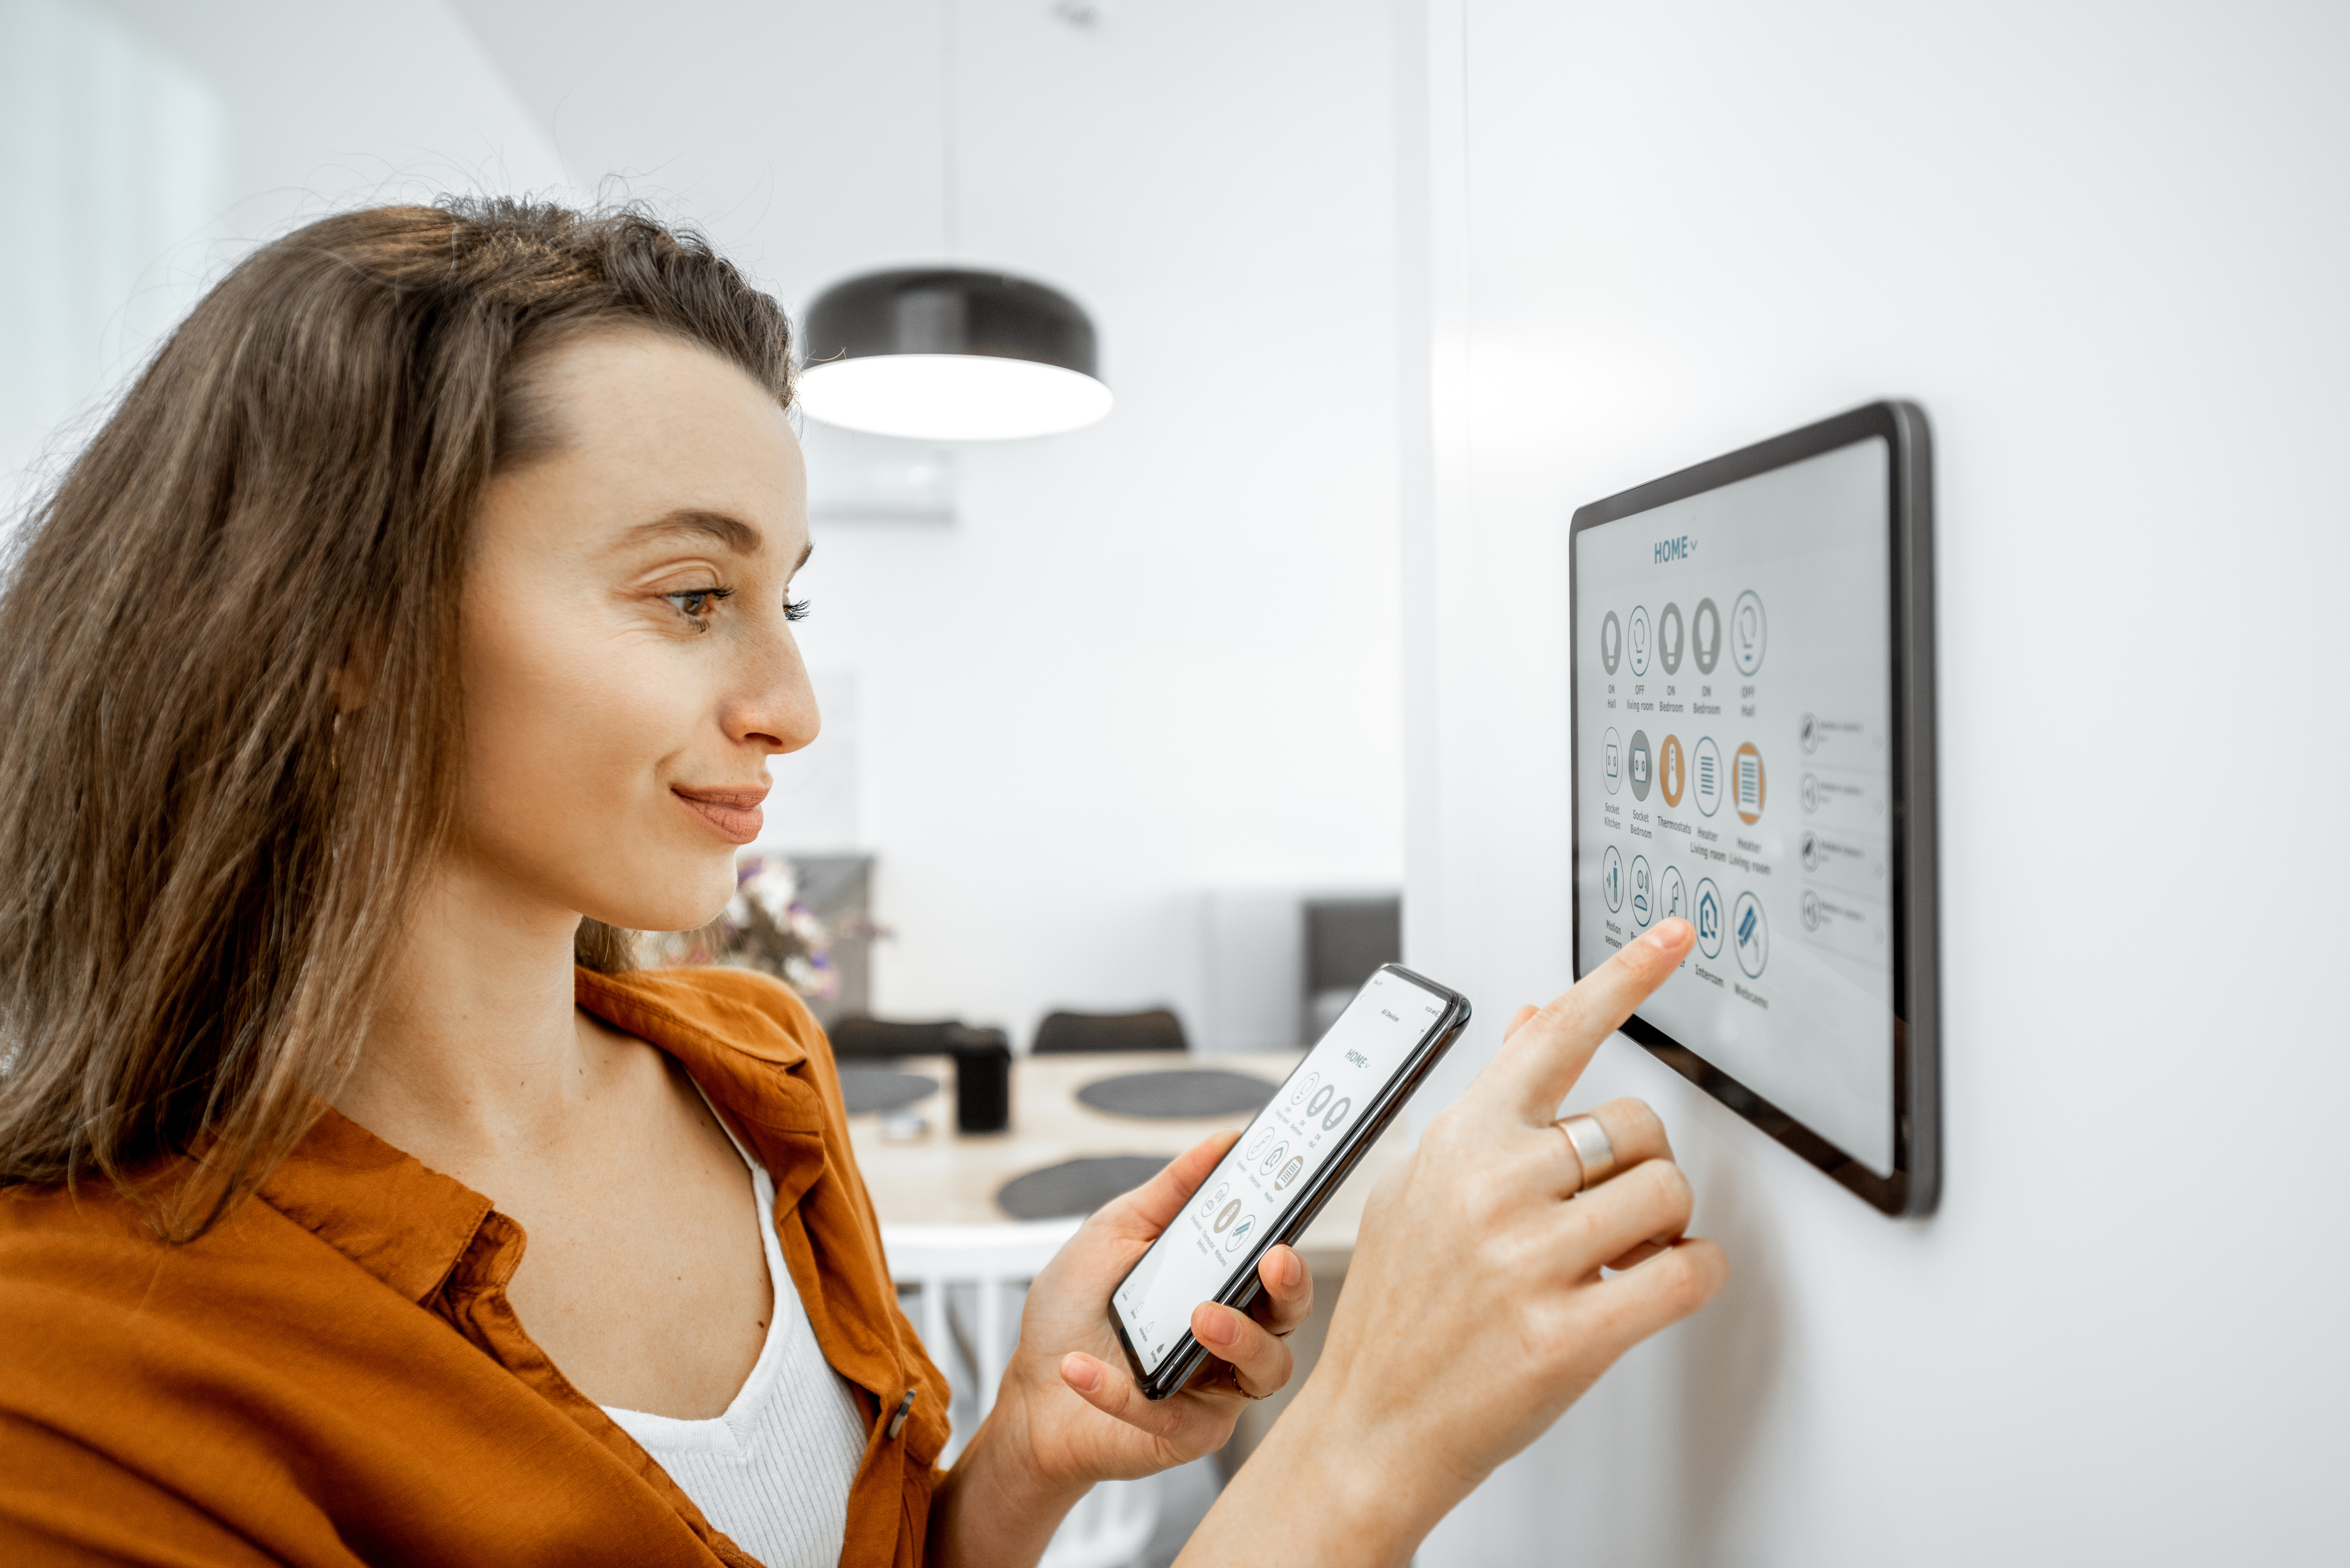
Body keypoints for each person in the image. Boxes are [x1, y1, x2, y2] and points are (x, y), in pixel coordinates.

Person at [0, 200, 1726, 1567]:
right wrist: (1360, 1449)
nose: (792, 705)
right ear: (348, 634)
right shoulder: (63, 1379)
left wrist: (1025, 1457)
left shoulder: (751, 1070)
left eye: (790, 601)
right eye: (693, 596)